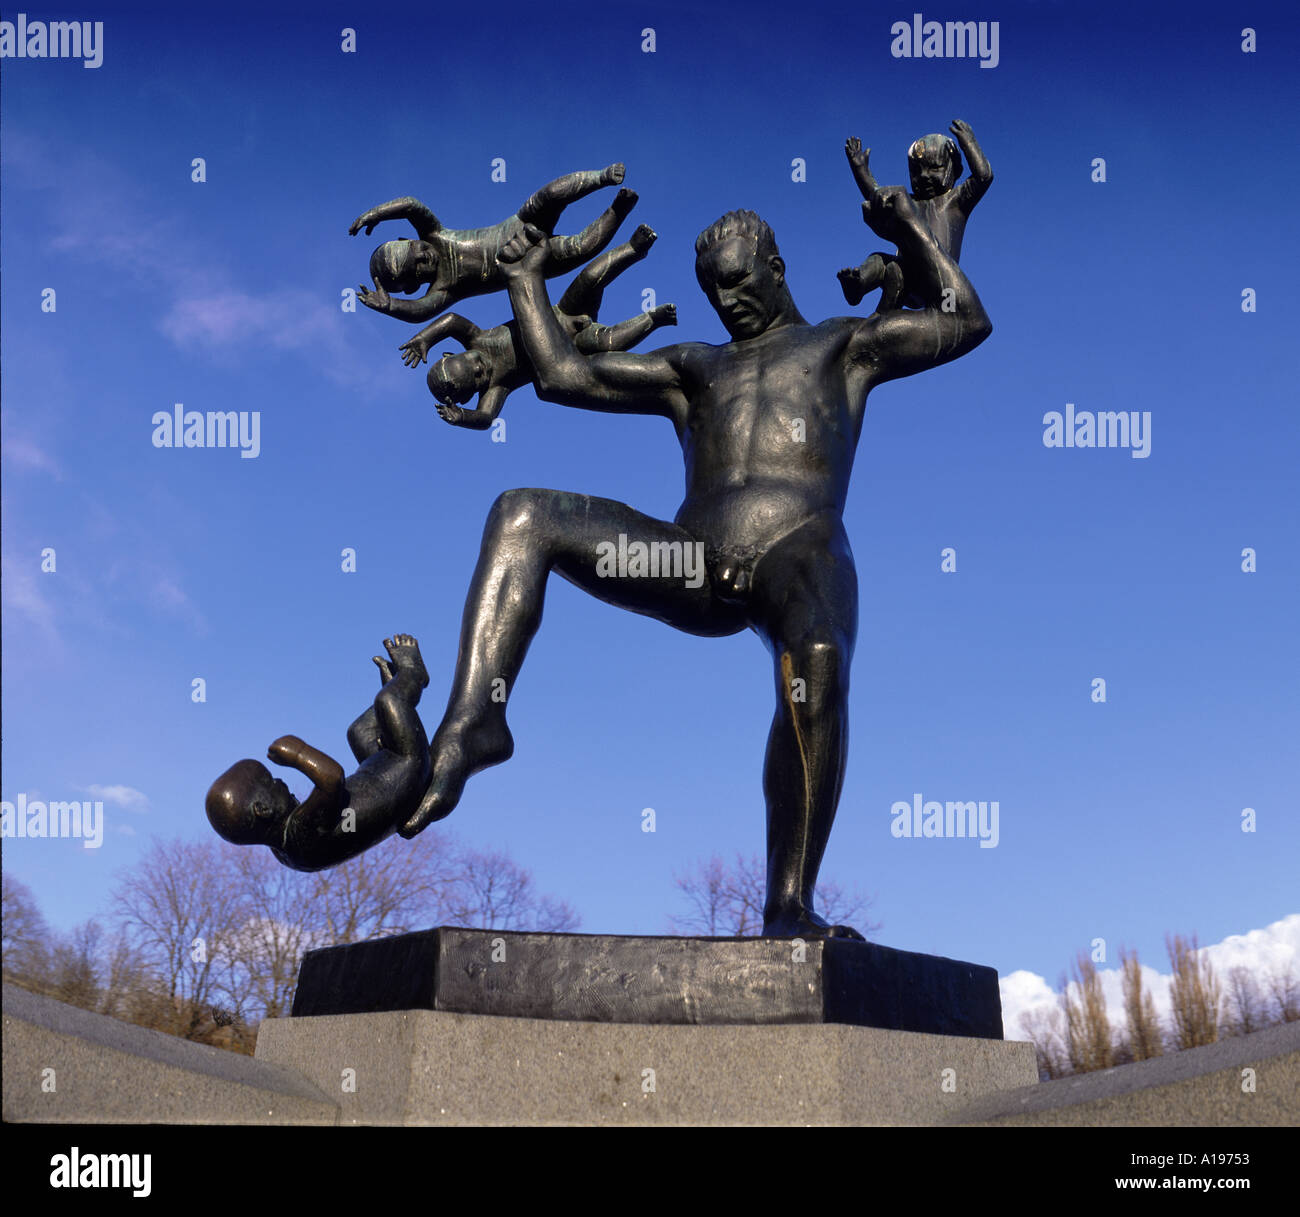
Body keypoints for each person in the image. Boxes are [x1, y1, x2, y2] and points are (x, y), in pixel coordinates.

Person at [397, 174, 992, 941]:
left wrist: (912, 224)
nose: (727, 301)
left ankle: (788, 904)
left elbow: (966, 321)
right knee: (521, 513)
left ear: (776, 269)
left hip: (797, 547)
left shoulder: (844, 346)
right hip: (692, 563)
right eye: (714, 289)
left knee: (814, 658)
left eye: (740, 282)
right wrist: (522, 280)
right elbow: (562, 375)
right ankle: (475, 723)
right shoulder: (694, 367)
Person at [398, 225, 677, 429]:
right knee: (612, 341)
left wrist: (424, 339)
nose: (481, 368)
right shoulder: (497, 386)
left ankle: (633, 248)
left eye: (472, 364)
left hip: (562, 311)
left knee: (591, 276)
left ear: (452, 354)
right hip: (574, 348)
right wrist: (463, 418)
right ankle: (653, 319)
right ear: (475, 391)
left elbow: (451, 321)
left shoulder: (477, 339)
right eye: (478, 377)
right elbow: (486, 419)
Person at [205, 635, 429, 871]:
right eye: (270, 782)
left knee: (358, 732)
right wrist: (297, 754)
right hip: (407, 768)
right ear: (262, 810)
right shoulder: (300, 833)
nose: (279, 781)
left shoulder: (288, 851)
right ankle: (413, 676)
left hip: (381, 774)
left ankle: (399, 690)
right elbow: (332, 778)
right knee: (388, 701)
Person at [349, 164, 637, 323]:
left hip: (519, 223)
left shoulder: (434, 234)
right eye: (418, 268)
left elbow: (411, 205)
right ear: (413, 286)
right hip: (529, 262)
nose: (426, 258)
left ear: (409, 238)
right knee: (580, 248)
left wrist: (376, 214)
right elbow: (421, 311)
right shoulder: (445, 289)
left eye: (417, 251)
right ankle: (619, 209)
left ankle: (601, 177)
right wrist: (392, 306)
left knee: (550, 194)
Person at [837, 119, 992, 310]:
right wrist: (860, 169)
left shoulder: (956, 201)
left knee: (895, 270)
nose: (924, 176)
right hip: (906, 274)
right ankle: (858, 284)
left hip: (939, 280)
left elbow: (983, 177)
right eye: (916, 171)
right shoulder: (909, 202)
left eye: (934, 168)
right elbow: (877, 196)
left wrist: (969, 144)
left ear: (955, 170)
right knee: (880, 260)